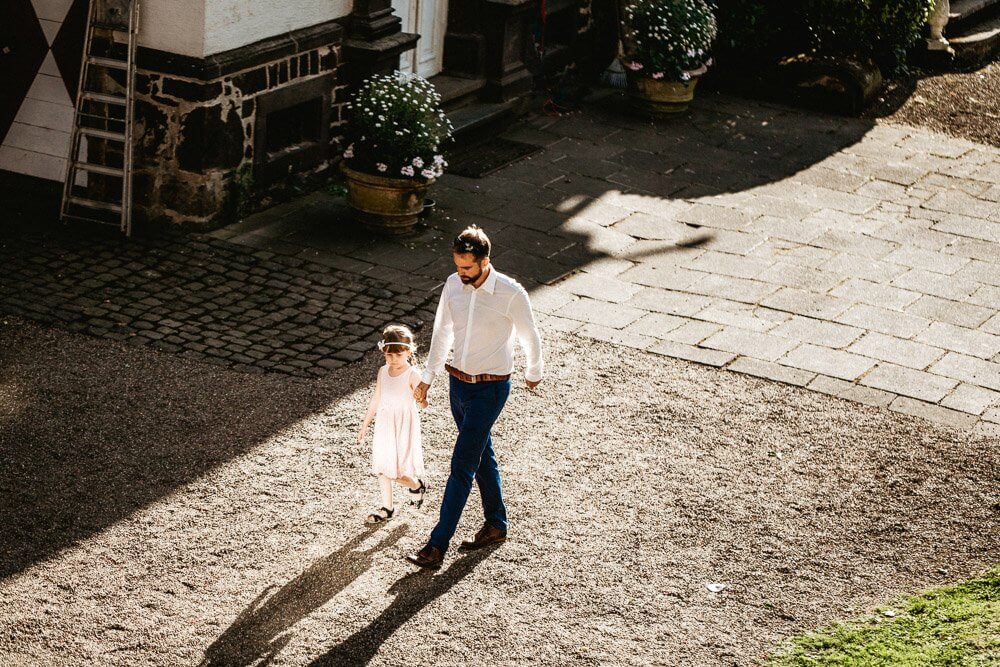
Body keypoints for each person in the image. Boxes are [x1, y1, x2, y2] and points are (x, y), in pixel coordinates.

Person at [407, 225, 543, 569]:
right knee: (482, 453)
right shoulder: (454, 285)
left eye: (467, 267)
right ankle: (496, 524)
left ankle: (436, 545)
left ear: (485, 261)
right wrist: (427, 377)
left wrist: (533, 372)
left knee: (462, 465)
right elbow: (442, 332)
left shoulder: (511, 293)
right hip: (458, 385)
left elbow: (531, 336)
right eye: (457, 265)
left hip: (491, 388)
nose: (460, 273)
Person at [357, 324, 428, 524]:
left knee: (397, 470)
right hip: (384, 423)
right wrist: (365, 424)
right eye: (388, 355)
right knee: (381, 466)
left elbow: (423, 404)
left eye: (397, 355)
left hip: (403, 425)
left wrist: (421, 398)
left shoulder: (413, 374)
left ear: (408, 351)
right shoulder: (383, 371)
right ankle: (387, 508)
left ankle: (415, 484)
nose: (392, 360)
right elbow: (376, 399)